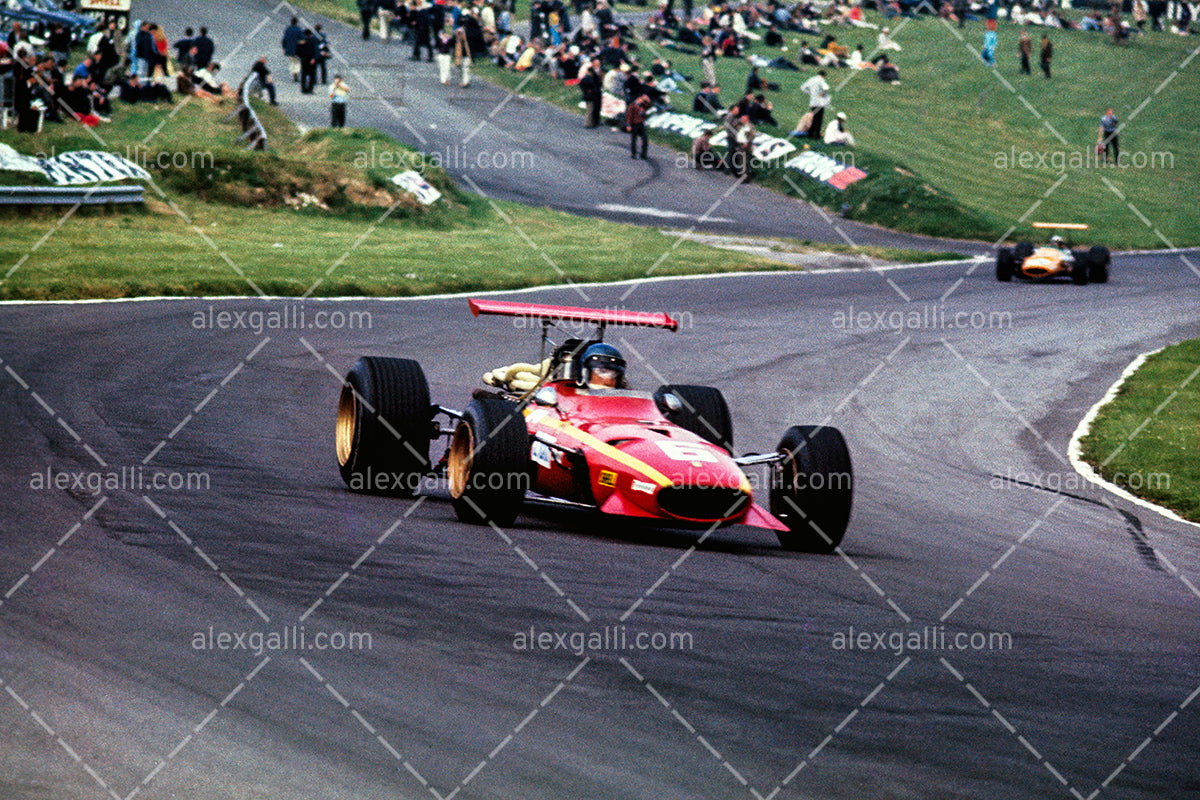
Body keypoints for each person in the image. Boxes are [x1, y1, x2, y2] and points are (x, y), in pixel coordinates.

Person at [799, 69, 830, 140]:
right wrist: (822, 94)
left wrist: (810, 94)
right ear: (823, 76)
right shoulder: (821, 80)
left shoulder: (812, 79)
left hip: (813, 102)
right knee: (819, 119)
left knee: (814, 118)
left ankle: (810, 133)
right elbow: (826, 88)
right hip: (820, 103)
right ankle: (816, 135)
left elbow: (803, 88)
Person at [626, 94, 651, 159]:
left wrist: (648, 100)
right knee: (634, 140)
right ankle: (633, 153)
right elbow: (629, 115)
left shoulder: (642, 105)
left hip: (641, 124)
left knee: (645, 139)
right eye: (641, 99)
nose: (641, 101)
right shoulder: (632, 105)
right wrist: (628, 124)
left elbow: (649, 106)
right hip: (634, 124)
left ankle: (643, 154)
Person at [579, 57, 602, 127]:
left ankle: (594, 121)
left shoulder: (596, 72)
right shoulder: (588, 78)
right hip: (591, 94)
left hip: (595, 93)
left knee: (595, 107)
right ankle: (588, 123)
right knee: (590, 109)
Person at [282, 17, 302, 82]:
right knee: (297, 62)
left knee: (292, 62)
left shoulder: (288, 29)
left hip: (289, 49)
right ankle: (296, 75)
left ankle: (294, 75)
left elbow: (284, 39)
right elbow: (302, 39)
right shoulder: (299, 29)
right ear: (297, 22)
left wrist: (284, 48)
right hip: (297, 49)